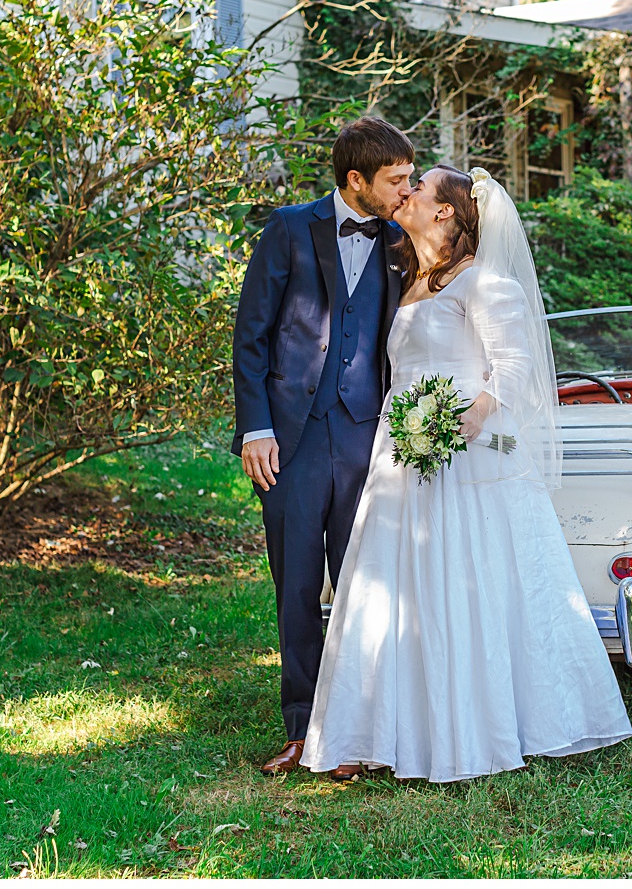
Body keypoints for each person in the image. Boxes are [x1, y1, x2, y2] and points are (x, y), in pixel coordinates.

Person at [300, 165, 632, 783]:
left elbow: (514, 364)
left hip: (465, 455)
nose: (407, 194)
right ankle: (380, 727)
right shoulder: (412, 278)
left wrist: (472, 412)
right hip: (402, 452)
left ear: (447, 211)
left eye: (418, 188)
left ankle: (476, 727)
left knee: (469, 584)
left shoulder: (486, 283)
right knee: (392, 587)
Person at [230, 116, 414, 776]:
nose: (407, 190)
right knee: (297, 587)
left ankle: (356, 736)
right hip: (291, 442)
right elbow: (251, 335)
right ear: (355, 180)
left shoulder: (401, 239)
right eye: (395, 180)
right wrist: (255, 427)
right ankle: (303, 728)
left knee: (364, 590)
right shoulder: (288, 229)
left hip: (370, 437)